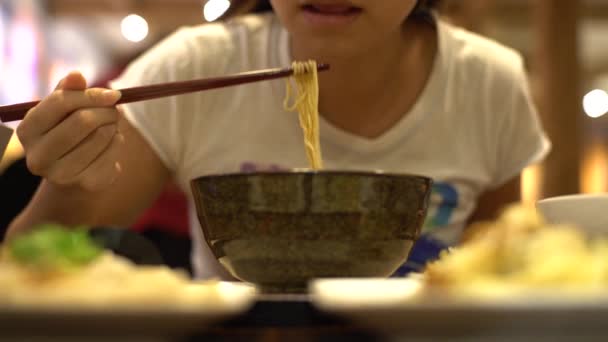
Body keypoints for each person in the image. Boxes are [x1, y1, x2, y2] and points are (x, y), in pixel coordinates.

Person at [7, 0, 550, 278]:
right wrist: (73, 174)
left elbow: (494, 271)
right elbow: (26, 267)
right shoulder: (200, 63)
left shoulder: (488, 83)